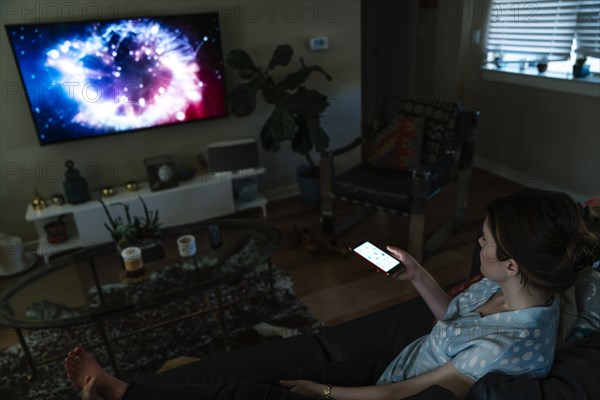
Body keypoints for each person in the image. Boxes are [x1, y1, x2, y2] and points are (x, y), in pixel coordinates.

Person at [64, 188, 598, 400]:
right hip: (390, 365)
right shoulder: (518, 286)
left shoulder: (502, 353)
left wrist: (322, 393)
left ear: (511, 262)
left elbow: (397, 398)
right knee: (249, 367)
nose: (476, 245)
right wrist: (416, 276)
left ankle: (119, 393)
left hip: (381, 391)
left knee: (249, 396)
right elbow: (451, 325)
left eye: (484, 242)